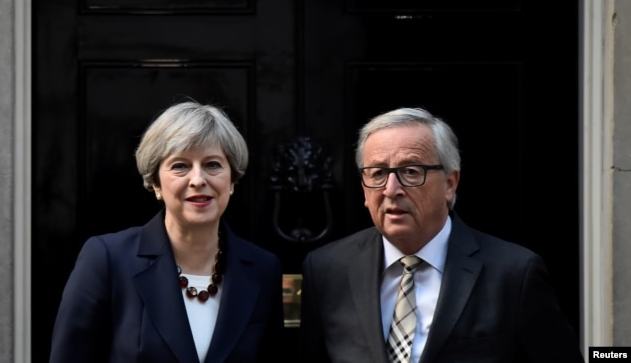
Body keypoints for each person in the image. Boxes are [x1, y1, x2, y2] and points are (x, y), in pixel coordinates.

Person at [299, 107, 584, 363]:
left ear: (450, 183)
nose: (391, 189)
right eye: (377, 173)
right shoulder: (327, 269)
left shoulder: (515, 273)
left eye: (411, 171)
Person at [50, 100, 285, 363]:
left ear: (232, 181)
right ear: (155, 183)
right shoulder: (108, 259)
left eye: (213, 164)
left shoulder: (263, 269)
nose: (198, 179)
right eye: (180, 166)